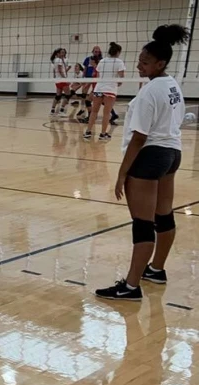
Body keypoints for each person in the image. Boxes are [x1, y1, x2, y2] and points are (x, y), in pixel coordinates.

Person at [95, 25, 189, 301]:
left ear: (160, 63)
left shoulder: (149, 92)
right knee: (164, 216)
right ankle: (156, 270)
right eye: (139, 60)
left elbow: (139, 138)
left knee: (143, 223)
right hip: (172, 154)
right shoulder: (172, 85)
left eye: (145, 62)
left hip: (149, 157)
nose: (139, 66)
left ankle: (131, 286)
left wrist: (122, 174)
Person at [84, 42, 125, 141]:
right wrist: (119, 83)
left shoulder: (102, 61)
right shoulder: (119, 62)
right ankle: (102, 134)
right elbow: (121, 76)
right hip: (110, 89)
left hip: (99, 88)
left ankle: (88, 132)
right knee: (106, 113)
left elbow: (97, 75)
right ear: (118, 52)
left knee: (94, 111)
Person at [50, 48, 71, 116]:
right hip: (62, 80)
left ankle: (52, 110)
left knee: (58, 96)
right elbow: (60, 70)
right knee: (68, 95)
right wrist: (65, 79)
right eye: (62, 52)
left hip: (58, 80)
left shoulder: (55, 60)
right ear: (58, 54)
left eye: (64, 52)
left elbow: (57, 70)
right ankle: (61, 111)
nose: (63, 54)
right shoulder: (59, 60)